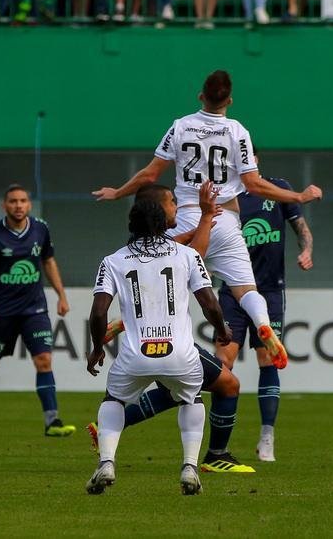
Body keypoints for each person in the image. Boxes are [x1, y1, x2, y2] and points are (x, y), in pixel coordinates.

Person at [92, 70, 323, 374]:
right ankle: (264, 326)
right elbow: (254, 184)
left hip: (185, 216)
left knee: (163, 276)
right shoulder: (237, 131)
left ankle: (124, 322)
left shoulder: (180, 127)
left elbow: (150, 175)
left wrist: (118, 192)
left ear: (200, 96)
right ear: (229, 100)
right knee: (245, 289)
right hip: (223, 219)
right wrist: (298, 197)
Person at [85, 199, 233, 496]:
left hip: (135, 355)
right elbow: (209, 303)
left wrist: (96, 348)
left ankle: (107, 462)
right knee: (191, 399)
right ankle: (190, 467)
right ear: (164, 222)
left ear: (132, 225)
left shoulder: (113, 260)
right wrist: (222, 329)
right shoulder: (188, 255)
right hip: (180, 353)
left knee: (113, 398)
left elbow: (99, 312)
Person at [207, 155, 314, 466]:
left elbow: (302, 229)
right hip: (231, 291)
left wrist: (306, 249)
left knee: (268, 357)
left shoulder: (278, 190)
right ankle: (219, 439)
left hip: (269, 291)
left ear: (254, 159)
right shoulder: (226, 197)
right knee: (222, 363)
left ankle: (267, 435)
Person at [0, 185, 75, 437]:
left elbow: (48, 261)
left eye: (23, 201)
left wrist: (61, 295)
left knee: (44, 360)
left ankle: (52, 421)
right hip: (1, 312)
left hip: (34, 310)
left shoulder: (40, 228)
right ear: (4, 205)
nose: (18, 205)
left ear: (29, 205)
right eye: (13, 201)